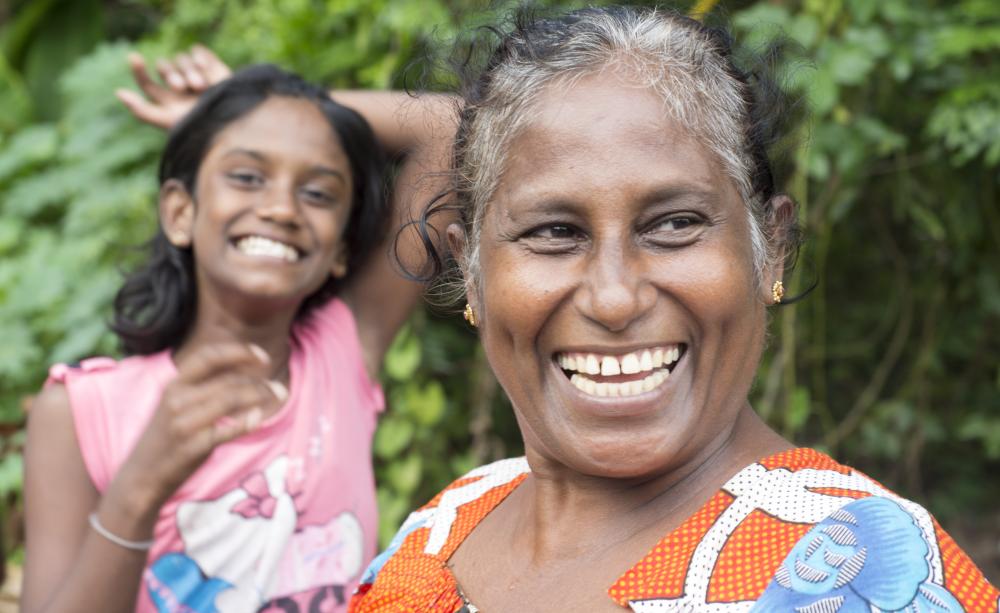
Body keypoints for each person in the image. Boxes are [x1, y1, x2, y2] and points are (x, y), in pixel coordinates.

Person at [348, 6, 999, 612]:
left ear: (769, 250)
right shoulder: (444, 528)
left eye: (675, 223)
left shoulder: (852, 568)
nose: (614, 296)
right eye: (553, 231)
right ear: (470, 270)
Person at [22, 62, 452, 612]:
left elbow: (450, 126)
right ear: (180, 212)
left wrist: (267, 105)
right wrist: (141, 486)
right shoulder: (81, 410)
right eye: (247, 176)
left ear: (342, 249)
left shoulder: (343, 351)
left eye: (318, 193)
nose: (280, 209)